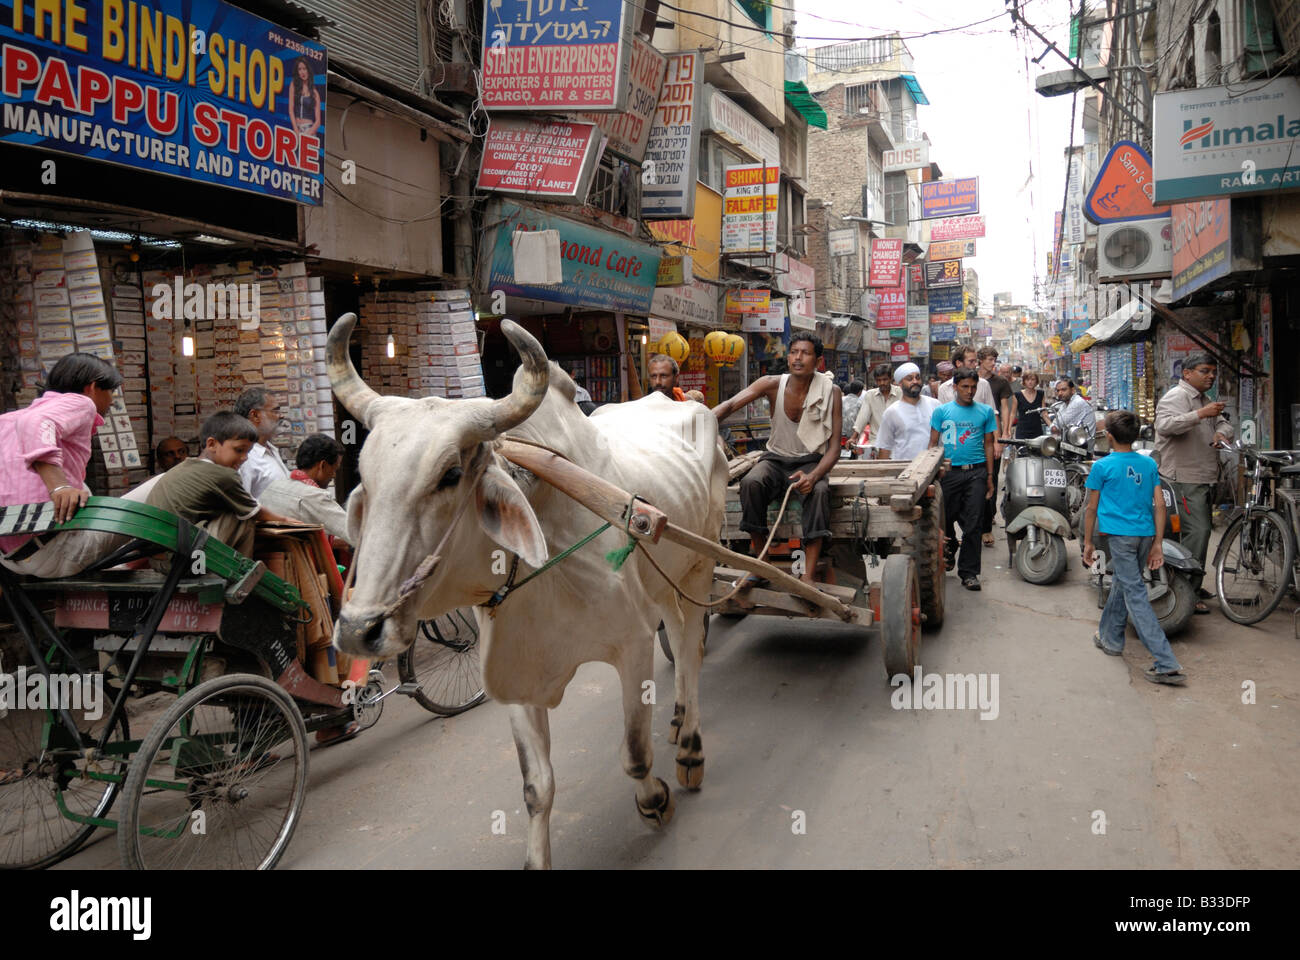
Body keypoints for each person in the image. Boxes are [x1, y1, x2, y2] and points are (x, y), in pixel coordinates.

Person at [713, 332, 841, 586]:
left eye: (805, 353)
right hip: (775, 459)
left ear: (818, 360)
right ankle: (762, 563)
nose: (797, 358)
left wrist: (814, 476)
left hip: (810, 461)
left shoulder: (831, 391)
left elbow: (834, 448)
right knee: (751, 483)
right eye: (794, 352)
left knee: (819, 492)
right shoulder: (772, 383)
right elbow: (729, 405)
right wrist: (701, 418)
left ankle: (808, 574)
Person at [1082, 410, 1186, 685]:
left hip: (1120, 537)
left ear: (1109, 436)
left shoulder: (1101, 467)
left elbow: (1091, 508)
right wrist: (1157, 544)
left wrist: (1088, 542)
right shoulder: (1148, 464)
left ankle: (1166, 662)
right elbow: (1160, 505)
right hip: (1145, 536)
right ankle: (1110, 639)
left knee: (1135, 595)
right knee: (1124, 585)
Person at [0, 353, 125, 577]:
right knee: (167, 482)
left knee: (82, 489)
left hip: (11, 559)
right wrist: (58, 487)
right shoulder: (83, 403)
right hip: (55, 552)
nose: (112, 401)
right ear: (93, 387)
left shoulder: (6, 421)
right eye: (111, 392)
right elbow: (36, 423)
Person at [146, 411, 290, 557]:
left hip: (159, 558)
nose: (244, 458)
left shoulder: (186, 467)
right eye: (239, 450)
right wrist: (287, 520)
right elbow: (255, 511)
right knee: (243, 516)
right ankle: (241, 572)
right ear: (212, 444)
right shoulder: (223, 475)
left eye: (248, 452)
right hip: (184, 561)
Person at [1154, 352, 1233, 612]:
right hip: (1184, 477)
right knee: (1198, 531)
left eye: (1213, 372)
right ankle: (1187, 591)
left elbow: (1223, 422)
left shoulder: (1203, 399)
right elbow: (1164, 425)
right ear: (1187, 374)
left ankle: (1190, 583)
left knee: (1191, 532)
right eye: (1204, 371)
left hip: (1202, 475)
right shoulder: (1178, 397)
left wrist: (1221, 432)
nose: (1210, 376)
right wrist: (1199, 415)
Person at [929, 368, 996, 591]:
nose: (970, 391)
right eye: (965, 387)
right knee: (945, 520)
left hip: (976, 473)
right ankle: (949, 550)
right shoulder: (942, 412)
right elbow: (932, 445)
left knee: (974, 524)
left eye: (973, 387)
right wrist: (932, 472)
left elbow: (988, 444)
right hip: (949, 474)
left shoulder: (985, 412)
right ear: (955, 387)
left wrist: (989, 476)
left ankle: (969, 573)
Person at [258, 434, 351, 543]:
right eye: (334, 469)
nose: (334, 475)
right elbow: (352, 531)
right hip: (301, 558)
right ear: (322, 465)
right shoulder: (316, 496)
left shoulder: (272, 487)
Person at [979, 347, 1014, 547]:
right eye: (991, 359)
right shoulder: (972, 381)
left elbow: (1004, 408)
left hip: (994, 434)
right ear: (981, 360)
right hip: (975, 437)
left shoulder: (1000, 382)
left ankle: (988, 517)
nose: (993, 363)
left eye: (995, 359)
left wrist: (1003, 435)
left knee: (991, 477)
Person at [876, 363, 940, 462]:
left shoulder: (935, 405)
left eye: (917, 378)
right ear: (900, 383)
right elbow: (884, 448)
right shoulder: (891, 412)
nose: (915, 381)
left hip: (932, 467)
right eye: (910, 379)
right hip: (903, 470)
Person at [234, 387, 290, 499]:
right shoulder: (245, 459)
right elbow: (242, 508)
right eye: (275, 411)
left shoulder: (270, 449)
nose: (281, 416)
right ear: (255, 415)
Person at [850, 363, 901, 450]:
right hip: (876, 443)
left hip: (898, 442)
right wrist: (853, 437)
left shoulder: (901, 393)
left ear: (890, 378)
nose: (882, 383)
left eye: (885, 379)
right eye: (879, 380)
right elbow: (862, 418)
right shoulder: (870, 395)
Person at [937, 344, 997, 409]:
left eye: (975, 361)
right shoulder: (944, 388)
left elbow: (992, 412)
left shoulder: (983, 384)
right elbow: (942, 415)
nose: (975, 364)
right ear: (958, 363)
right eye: (971, 361)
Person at [288, 57, 321, 135]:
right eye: (300, 69)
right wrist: (296, 129)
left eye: (304, 69)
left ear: (308, 70)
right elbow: (290, 110)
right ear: (297, 72)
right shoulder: (294, 85)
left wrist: (307, 135)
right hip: (296, 128)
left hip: (309, 129)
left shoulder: (315, 93)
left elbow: (318, 122)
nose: (302, 72)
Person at [1013, 371, 1046, 440]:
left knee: (1037, 450)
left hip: (1037, 430)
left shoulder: (1041, 394)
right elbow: (1013, 413)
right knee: (1022, 450)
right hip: (1022, 430)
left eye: (1033, 379)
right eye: (1027, 380)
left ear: (1036, 381)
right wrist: (1007, 430)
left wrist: (1052, 426)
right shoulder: (1017, 395)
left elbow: (1044, 413)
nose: (1030, 382)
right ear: (1024, 381)